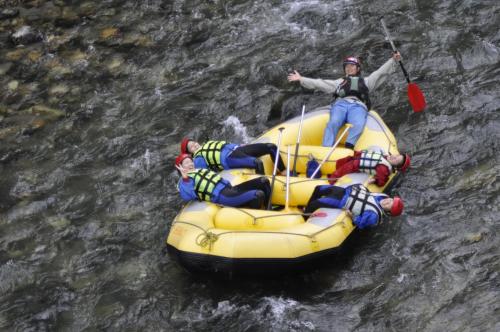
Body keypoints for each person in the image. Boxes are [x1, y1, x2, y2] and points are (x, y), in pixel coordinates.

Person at [287, 52, 402, 148]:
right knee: (334, 122)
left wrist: (393, 60)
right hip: (340, 105)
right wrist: (301, 79)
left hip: (358, 106)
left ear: (357, 69)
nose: (349, 68)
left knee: (358, 124)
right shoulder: (339, 82)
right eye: (347, 66)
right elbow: (320, 83)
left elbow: (380, 73)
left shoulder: (367, 82)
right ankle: (326, 148)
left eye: (352, 66)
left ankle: (349, 146)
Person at [175, 153, 272, 209]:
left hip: (231, 189)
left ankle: (269, 209)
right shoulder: (184, 182)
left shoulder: (200, 170)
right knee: (258, 194)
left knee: (263, 181)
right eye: (186, 163)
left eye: (190, 161)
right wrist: (185, 178)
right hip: (223, 197)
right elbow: (187, 196)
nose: (190, 163)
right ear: (181, 167)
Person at [304, 183, 403, 229]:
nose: (387, 201)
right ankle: (307, 207)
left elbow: (360, 223)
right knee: (319, 188)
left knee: (316, 203)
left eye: (390, 204)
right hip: (345, 191)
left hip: (342, 202)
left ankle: (304, 216)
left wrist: (352, 216)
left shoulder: (374, 215)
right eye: (391, 200)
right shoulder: (381, 197)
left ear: (388, 211)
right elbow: (367, 195)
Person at [180, 138, 286, 175]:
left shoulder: (208, 144)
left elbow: (227, 145)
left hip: (238, 150)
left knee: (271, 147)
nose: (194, 144)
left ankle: (285, 171)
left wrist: (240, 145)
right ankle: (271, 189)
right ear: (191, 154)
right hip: (229, 159)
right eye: (191, 147)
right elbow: (204, 172)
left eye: (193, 142)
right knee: (258, 163)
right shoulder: (198, 158)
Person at [328, 150, 411, 186]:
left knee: (338, 173)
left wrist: (375, 180)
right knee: (341, 162)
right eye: (396, 156)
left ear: (395, 166)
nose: (394, 157)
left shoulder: (384, 168)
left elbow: (382, 181)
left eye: (396, 160)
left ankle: (330, 182)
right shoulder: (386, 156)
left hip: (355, 166)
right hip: (358, 158)